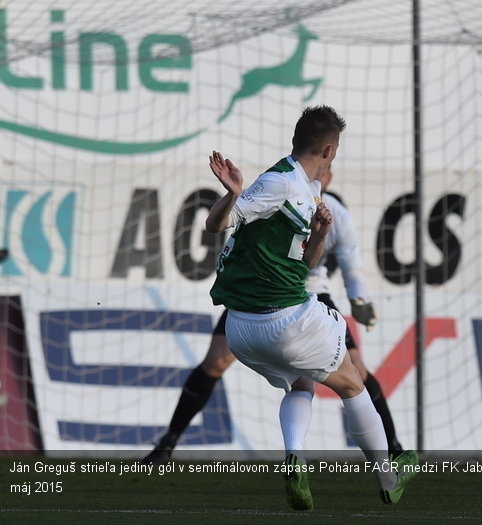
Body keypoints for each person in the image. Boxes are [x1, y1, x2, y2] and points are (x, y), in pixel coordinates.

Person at [186, 105, 415, 509]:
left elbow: (306, 264)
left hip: (242, 328)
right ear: (329, 150)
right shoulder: (280, 182)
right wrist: (233, 194)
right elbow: (216, 225)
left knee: (301, 383)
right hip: (286, 320)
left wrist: (321, 234)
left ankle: (294, 456)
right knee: (352, 385)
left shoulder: (309, 191)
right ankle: (388, 476)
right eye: (337, 148)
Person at [143, 165, 405, 463]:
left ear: (330, 177)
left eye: (326, 172)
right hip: (264, 293)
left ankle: (394, 449)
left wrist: (359, 299)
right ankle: (168, 443)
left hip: (313, 294)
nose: (320, 175)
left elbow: (350, 263)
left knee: (355, 369)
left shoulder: (336, 214)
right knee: (215, 361)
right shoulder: (280, 192)